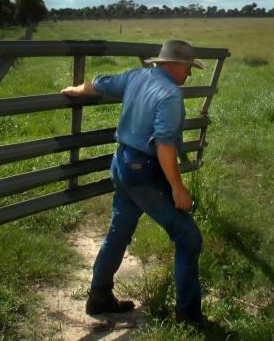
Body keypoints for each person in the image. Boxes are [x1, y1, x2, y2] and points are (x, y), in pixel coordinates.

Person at [61, 39, 206, 326]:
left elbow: (100, 83)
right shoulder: (170, 95)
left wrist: (74, 90)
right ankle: (189, 316)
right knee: (188, 237)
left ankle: (99, 296)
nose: (189, 74)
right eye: (188, 68)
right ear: (174, 65)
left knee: (119, 231)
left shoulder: (136, 76)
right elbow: (165, 146)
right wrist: (177, 188)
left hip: (121, 165)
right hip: (144, 172)